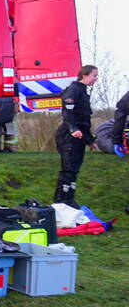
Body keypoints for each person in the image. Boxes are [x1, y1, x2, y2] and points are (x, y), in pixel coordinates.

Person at [53, 65, 99, 208]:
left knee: (74, 169)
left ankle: (70, 199)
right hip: (68, 135)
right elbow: (67, 112)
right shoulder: (74, 89)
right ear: (84, 75)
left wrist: (90, 140)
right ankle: (60, 200)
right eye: (94, 75)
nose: (96, 79)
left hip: (79, 135)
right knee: (67, 168)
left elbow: (84, 120)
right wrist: (73, 129)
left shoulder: (83, 91)